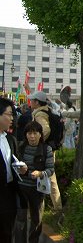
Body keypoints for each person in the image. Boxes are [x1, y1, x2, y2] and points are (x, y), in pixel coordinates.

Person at [16, 121, 54, 243]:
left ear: (40, 135)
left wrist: (40, 173)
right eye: (29, 133)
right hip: (21, 187)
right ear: (25, 134)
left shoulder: (46, 149)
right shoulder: (20, 147)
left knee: (36, 219)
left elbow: (50, 169)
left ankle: (34, 240)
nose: (32, 136)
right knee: (20, 218)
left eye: (35, 133)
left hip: (37, 189)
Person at [27, 91, 62, 212]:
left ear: (37, 102)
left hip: (44, 150)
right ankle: (54, 207)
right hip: (49, 148)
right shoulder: (48, 110)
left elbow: (45, 130)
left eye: (32, 100)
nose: (30, 102)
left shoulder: (40, 114)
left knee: (50, 178)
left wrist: (38, 142)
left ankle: (57, 208)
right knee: (49, 177)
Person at [0, 97, 27, 242]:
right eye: (9, 114)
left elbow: (17, 161)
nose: (12, 118)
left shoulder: (11, 140)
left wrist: (23, 169)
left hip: (9, 194)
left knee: (7, 233)